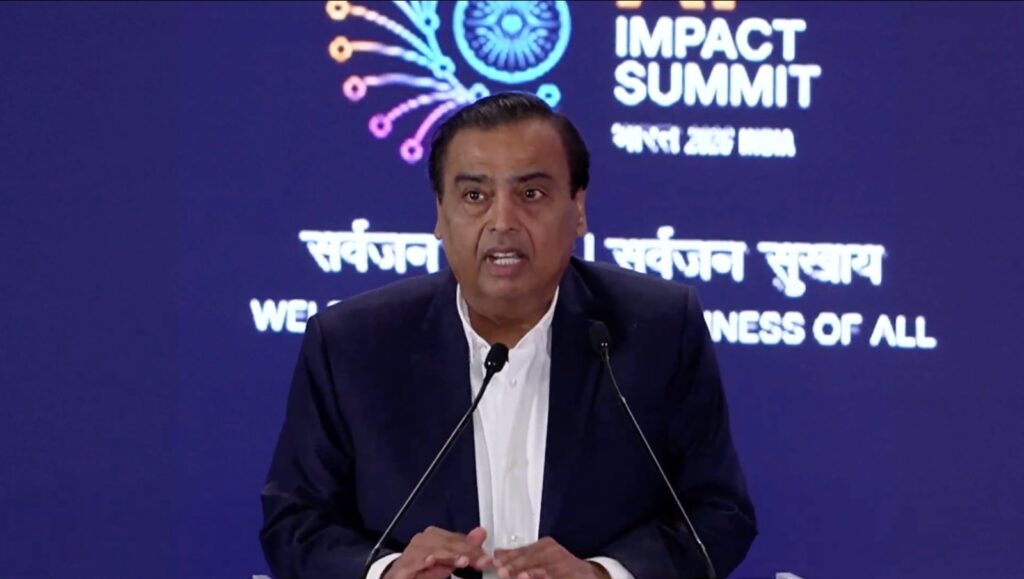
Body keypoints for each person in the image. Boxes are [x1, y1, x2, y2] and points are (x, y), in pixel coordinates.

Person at [260, 92, 756, 579]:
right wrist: (389, 574)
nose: (502, 221)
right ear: (440, 214)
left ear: (578, 209)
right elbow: (295, 521)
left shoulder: (658, 330)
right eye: (475, 196)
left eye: (531, 194)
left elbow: (718, 512)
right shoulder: (353, 344)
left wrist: (603, 575)